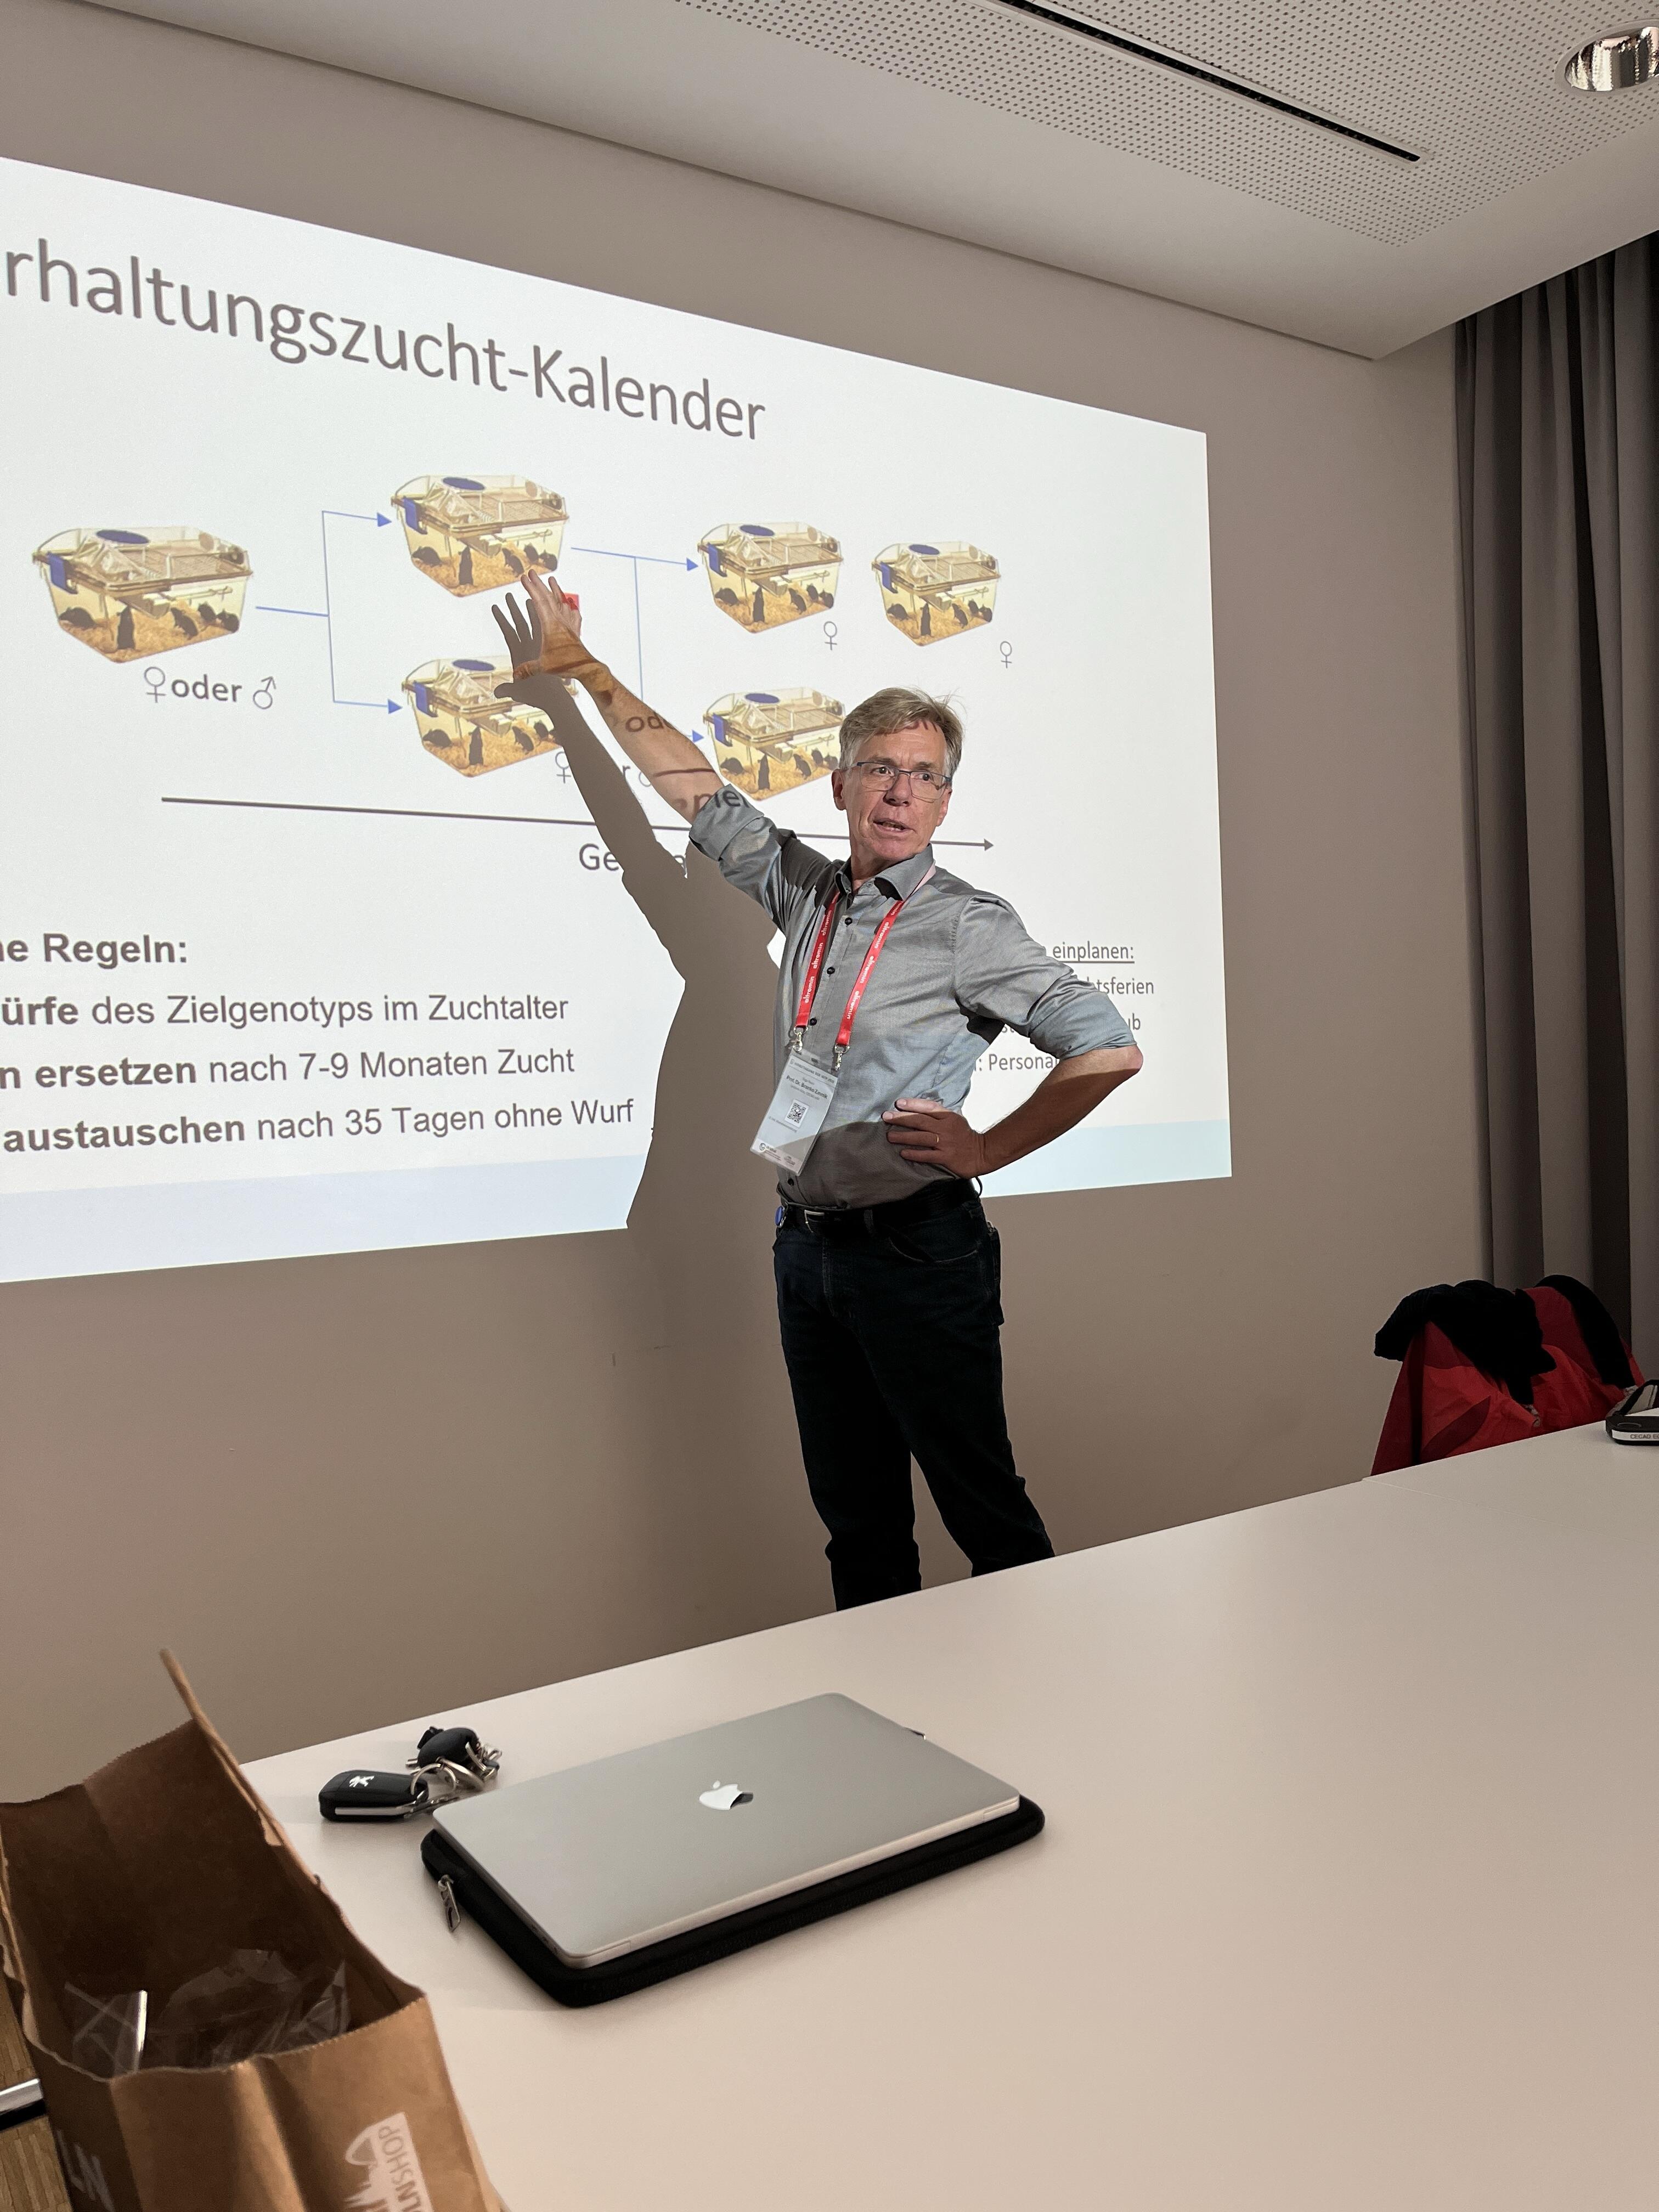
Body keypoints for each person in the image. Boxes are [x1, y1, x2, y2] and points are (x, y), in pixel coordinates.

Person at [495, 571, 1143, 1608]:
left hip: (920, 1250)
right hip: (809, 1249)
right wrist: (583, 674)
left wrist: (988, 1149)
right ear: (840, 785)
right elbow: (692, 790)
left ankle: (1048, 1751)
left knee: (985, 1515)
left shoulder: (969, 925)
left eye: (925, 777)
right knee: (859, 1528)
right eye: (879, 770)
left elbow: (1106, 1049)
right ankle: (897, 1745)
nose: (900, 793)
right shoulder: (805, 891)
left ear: (945, 799)